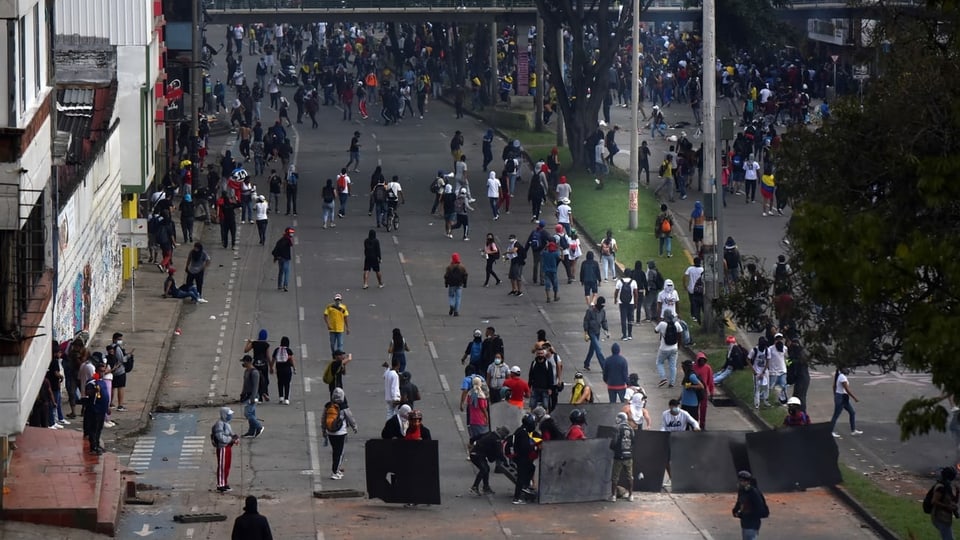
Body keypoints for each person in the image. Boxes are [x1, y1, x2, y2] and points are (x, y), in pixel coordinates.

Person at [322, 387, 358, 480]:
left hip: (330, 432)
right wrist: (354, 427)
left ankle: (337, 470)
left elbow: (323, 419)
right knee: (340, 453)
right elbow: (350, 417)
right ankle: (334, 472)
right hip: (341, 433)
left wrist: (324, 431)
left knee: (335, 451)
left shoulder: (328, 406)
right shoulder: (343, 407)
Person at [469, 426, 508, 496]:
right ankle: (475, 487)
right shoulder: (496, 440)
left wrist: (471, 442)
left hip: (475, 453)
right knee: (484, 469)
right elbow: (499, 453)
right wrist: (505, 461)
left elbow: (477, 436)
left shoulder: (490, 433)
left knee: (486, 468)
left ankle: (485, 487)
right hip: (477, 455)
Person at [512, 413, 539, 505]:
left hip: (521, 456)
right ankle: (517, 497)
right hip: (521, 457)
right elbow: (525, 447)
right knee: (521, 476)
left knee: (531, 468)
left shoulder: (522, 430)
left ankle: (525, 486)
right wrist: (534, 448)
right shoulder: (523, 433)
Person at [212, 406, 240, 493]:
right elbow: (220, 437)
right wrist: (231, 439)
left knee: (226, 466)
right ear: (224, 415)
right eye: (229, 414)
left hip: (227, 447)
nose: (230, 416)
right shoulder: (219, 424)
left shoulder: (226, 423)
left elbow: (231, 433)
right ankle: (220, 485)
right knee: (222, 467)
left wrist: (235, 437)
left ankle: (224, 482)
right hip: (222, 447)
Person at [733, 471, 768, 540]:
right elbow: (739, 502)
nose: (739, 483)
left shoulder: (753, 492)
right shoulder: (742, 491)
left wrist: (749, 515)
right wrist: (735, 511)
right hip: (745, 523)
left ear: (746, 482)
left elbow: (760, 508)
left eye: (741, 481)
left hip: (752, 524)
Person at [830, 367, 862, 438]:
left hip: (843, 398)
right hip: (841, 398)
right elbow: (847, 389)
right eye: (847, 369)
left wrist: (835, 395)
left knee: (852, 412)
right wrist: (854, 398)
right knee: (836, 415)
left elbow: (834, 386)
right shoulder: (842, 377)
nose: (848, 370)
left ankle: (853, 430)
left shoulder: (840, 376)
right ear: (842, 370)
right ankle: (829, 431)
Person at [610, 411, 635, 502]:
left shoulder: (617, 428)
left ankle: (613, 496)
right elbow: (633, 442)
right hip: (628, 456)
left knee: (615, 476)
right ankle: (631, 495)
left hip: (618, 456)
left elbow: (614, 442)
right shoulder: (631, 429)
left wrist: (612, 447)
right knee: (630, 476)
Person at [654, 310, 683, 388]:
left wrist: (660, 322)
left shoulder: (662, 324)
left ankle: (663, 378)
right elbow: (680, 334)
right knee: (673, 366)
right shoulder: (676, 323)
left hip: (663, 348)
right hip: (674, 348)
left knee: (659, 363)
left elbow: (655, 331)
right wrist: (678, 346)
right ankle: (672, 383)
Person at [929, 466, 959, 539]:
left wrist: (958, 492)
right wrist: (947, 506)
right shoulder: (941, 487)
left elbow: (953, 501)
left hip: (945, 518)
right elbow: (934, 501)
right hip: (939, 517)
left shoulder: (947, 486)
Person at [240, 355, 264, 438]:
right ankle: (251, 431)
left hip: (252, 396)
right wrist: (242, 394)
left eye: (244, 362)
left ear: (248, 362)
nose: (243, 363)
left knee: (248, 413)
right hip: (247, 395)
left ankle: (259, 426)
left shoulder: (254, 372)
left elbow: (255, 386)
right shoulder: (246, 371)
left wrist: (253, 398)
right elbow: (245, 384)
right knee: (252, 414)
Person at [582, 297, 610, 371]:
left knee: (592, 349)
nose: (602, 307)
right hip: (591, 332)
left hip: (597, 332)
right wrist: (585, 332)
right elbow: (586, 321)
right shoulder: (590, 311)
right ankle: (604, 367)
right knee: (598, 349)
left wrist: (606, 330)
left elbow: (604, 321)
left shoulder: (602, 311)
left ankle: (586, 363)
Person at [244, 329, 271, 402]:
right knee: (265, 379)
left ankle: (259, 397)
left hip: (256, 364)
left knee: (256, 380)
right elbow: (268, 356)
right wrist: (271, 366)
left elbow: (246, 350)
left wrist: (248, 342)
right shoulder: (266, 345)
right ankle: (265, 392)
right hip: (264, 364)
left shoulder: (254, 343)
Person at [692, 352, 715, 428]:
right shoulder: (693, 367)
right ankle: (695, 423)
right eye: (700, 360)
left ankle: (702, 423)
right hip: (695, 391)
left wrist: (711, 392)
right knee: (695, 408)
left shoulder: (708, 368)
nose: (702, 362)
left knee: (703, 408)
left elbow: (710, 381)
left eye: (703, 360)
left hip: (704, 391)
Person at [679, 359, 705, 424]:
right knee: (684, 423)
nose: (682, 367)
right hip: (685, 403)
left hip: (692, 404)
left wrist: (690, 386)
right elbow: (684, 389)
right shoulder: (687, 375)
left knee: (693, 423)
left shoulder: (691, 376)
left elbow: (701, 386)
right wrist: (679, 399)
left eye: (683, 366)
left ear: (686, 367)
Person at [614, 269, 638, 339]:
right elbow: (636, 293)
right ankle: (630, 334)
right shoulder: (633, 282)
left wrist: (615, 299)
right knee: (630, 318)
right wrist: (636, 303)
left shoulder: (619, 281)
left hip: (622, 302)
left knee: (623, 318)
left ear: (624, 274)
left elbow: (616, 292)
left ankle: (624, 335)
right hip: (631, 302)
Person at [272, 337, 295, 405]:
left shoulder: (277, 350)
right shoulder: (289, 350)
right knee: (287, 383)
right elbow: (292, 360)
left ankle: (281, 397)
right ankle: (286, 399)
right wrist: (294, 368)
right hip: (287, 369)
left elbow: (273, 359)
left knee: (280, 382)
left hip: (279, 369)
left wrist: (271, 367)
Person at [270, 227, 294, 291]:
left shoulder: (280, 240)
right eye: (291, 233)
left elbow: (275, 249)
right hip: (286, 259)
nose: (292, 234)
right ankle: (285, 285)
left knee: (281, 272)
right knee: (287, 272)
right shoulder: (288, 240)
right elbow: (291, 244)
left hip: (280, 258)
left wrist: (275, 257)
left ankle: (279, 285)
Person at [683, 257, 705, 324]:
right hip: (700, 290)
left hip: (691, 289)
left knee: (692, 303)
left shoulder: (690, 269)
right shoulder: (702, 269)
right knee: (701, 303)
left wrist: (685, 285)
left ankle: (694, 316)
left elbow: (684, 276)